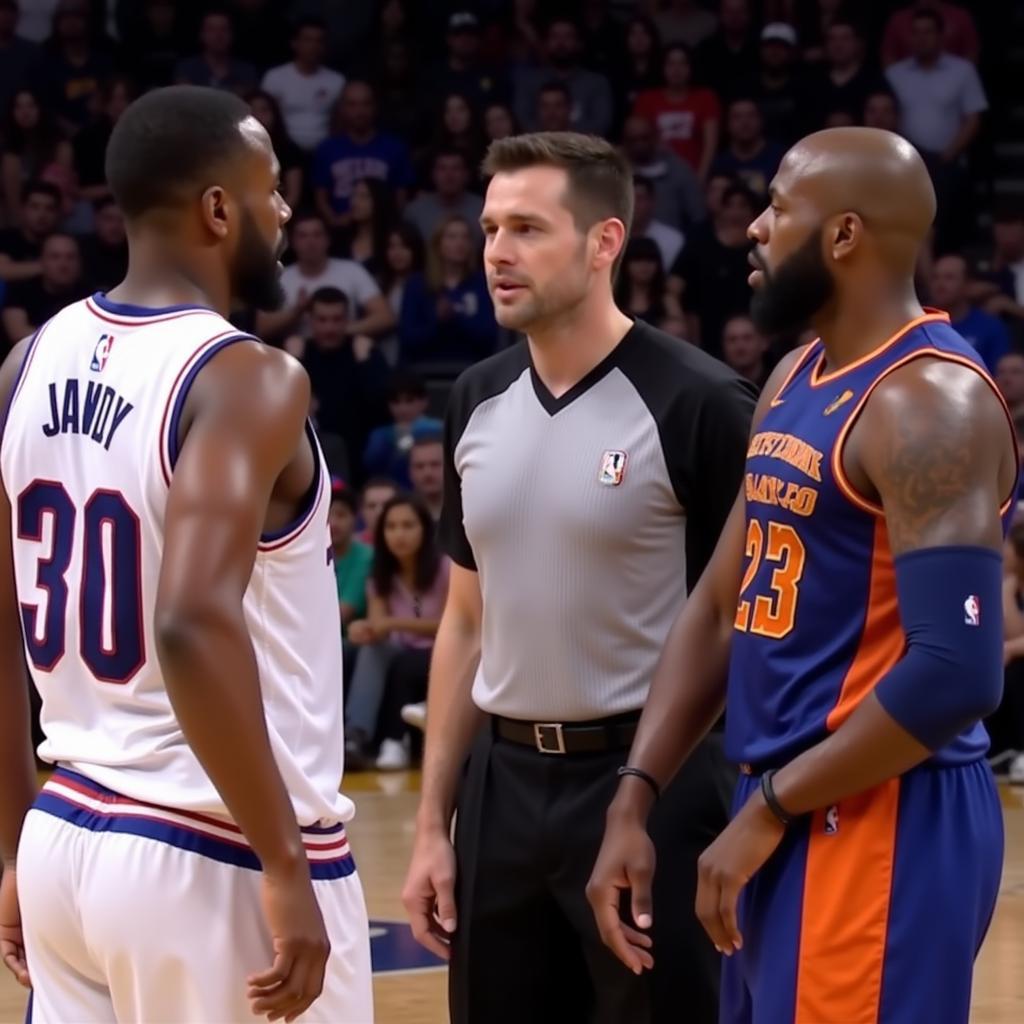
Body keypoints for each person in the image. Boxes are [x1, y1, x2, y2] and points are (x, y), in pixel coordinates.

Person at [587, 126, 1015, 1024]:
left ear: (845, 235)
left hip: (881, 811)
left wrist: (774, 806)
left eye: (779, 207)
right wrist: (638, 794)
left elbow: (958, 669)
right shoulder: (795, 373)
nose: (754, 227)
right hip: (783, 796)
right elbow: (716, 605)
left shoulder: (930, 404)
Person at [0, 84, 372, 1022]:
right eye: (271, 188)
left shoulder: (26, 361)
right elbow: (189, 619)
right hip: (215, 846)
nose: (285, 211)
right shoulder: (247, 377)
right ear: (217, 208)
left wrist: (12, 845)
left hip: (66, 833)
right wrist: (286, 863)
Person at [401, 131, 756, 1024]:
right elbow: (466, 620)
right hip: (501, 787)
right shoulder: (473, 398)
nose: (495, 253)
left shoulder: (703, 402)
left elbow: (742, 624)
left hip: (652, 785)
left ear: (604, 242)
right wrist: (429, 825)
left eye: (526, 228)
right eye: (488, 228)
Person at [346, 494, 449, 771]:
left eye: (407, 525)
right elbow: (379, 626)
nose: (398, 534)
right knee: (368, 650)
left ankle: (395, 739)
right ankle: (355, 737)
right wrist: (363, 629)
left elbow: (454, 625)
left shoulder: (445, 568)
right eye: (391, 527)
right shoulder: (380, 573)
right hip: (400, 650)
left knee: (405, 663)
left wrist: (392, 624)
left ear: (424, 529)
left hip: (444, 649)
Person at [256, 211, 394, 344]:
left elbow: (384, 317)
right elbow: (261, 329)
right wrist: (296, 311)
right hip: (298, 357)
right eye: (303, 236)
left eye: (317, 235)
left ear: (328, 239)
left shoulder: (352, 270)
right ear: (292, 242)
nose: (311, 242)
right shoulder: (280, 277)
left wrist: (336, 331)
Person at [260, 17, 344, 152]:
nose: (313, 46)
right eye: (308, 40)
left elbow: (340, 123)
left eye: (319, 41)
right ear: (294, 43)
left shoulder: (336, 81)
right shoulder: (275, 77)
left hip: (324, 150)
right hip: (284, 150)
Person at [929, 253, 1010, 373]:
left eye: (949, 278)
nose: (940, 285)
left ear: (968, 285)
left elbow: (999, 377)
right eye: (936, 277)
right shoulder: (919, 327)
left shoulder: (990, 327)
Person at [1, 231, 88, 341]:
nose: (63, 264)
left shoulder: (90, 296)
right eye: (55, 257)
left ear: (80, 262)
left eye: (70, 257)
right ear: (42, 261)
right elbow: (18, 334)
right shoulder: (21, 290)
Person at [363, 371, 444, 489]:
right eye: (396, 402)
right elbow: (372, 466)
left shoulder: (439, 430)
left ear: (424, 401)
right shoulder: (379, 436)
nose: (403, 408)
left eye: (409, 400)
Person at [330, 483, 373, 636]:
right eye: (326, 516)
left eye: (341, 515)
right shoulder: (308, 556)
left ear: (355, 518)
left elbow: (344, 612)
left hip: (351, 640)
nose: (333, 523)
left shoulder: (366, 557)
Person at [407, 435, 444, 523]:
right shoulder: (400, 513)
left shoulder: (466, 509)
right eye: (419, 466)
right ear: (410, 471)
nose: (427, 473)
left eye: (435, 464)